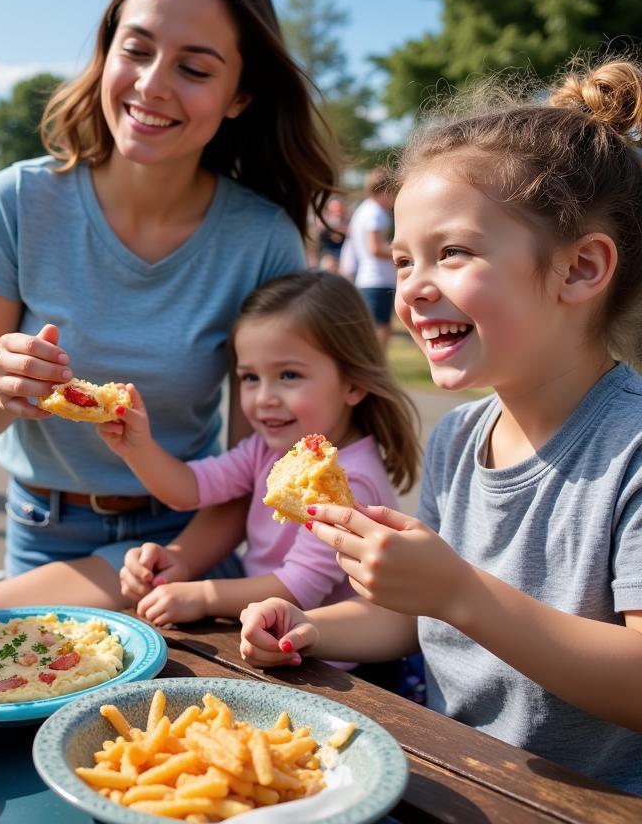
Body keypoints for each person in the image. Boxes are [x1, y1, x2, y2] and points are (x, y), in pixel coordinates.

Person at [239, 59, 642, 795]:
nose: (413, 287)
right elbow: (410, 620)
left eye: (451, 252)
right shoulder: (459, 438)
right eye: (401, 259)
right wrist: (309, 627)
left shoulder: (630, 452)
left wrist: (460, 592)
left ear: (581, 268)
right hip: (456, 781)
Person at [0, 0, 338, 612]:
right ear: (106, 52)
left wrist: (176, 563)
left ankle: (3, 602)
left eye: (195, 68)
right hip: (38, 529)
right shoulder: (16, 200)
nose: (153, 84)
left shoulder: (263, 239)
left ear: (240, 95)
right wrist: (4, 388)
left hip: (182, 536)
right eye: (137, 49)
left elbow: (263, 466)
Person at [103, 271, 419, 632]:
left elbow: (299, 587)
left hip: (329, 665)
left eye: (288, 376)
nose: (265, 398)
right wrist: (137, 447)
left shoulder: (350, 479)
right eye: (250, 378)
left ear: (354, 383)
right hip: (262, 629)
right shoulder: (267, 450)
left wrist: (202, 596)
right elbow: (190, 488)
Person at [347, 167, 396, 347]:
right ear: (383, 190)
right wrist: (401, 250)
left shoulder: (363, 210)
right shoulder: (376, 213)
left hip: (367, 279)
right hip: (377, 279)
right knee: (380, 329)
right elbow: (375, 248)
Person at [316, 197, 348, 272]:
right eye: (334, 210)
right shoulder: (324, 223)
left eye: (338, 209)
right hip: (327, 255)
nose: (337, 213)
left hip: (342, 256)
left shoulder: (346, 222)